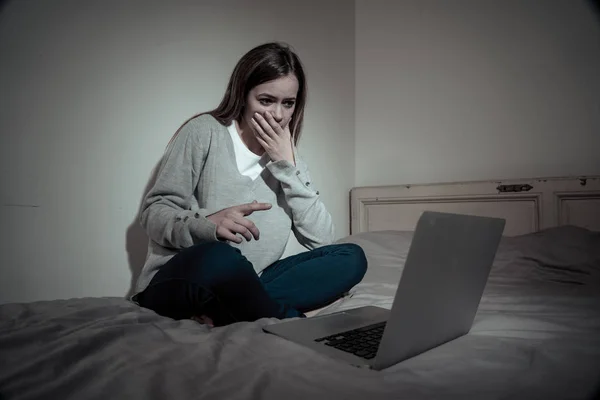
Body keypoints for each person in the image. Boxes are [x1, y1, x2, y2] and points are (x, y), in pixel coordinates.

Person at [131, 42, 367, 327]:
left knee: (351, 257)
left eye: (288, 103)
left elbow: (322, 240)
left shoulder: (288, 159)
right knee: (221, 257)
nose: (278, 115)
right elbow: (154, 213)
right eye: (266, 100)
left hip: (247, 282)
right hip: (184, 279)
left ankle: (234, 309)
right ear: (243, 96)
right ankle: (288, 317)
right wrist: (208, 226)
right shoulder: (204, 132)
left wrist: (288, 169)